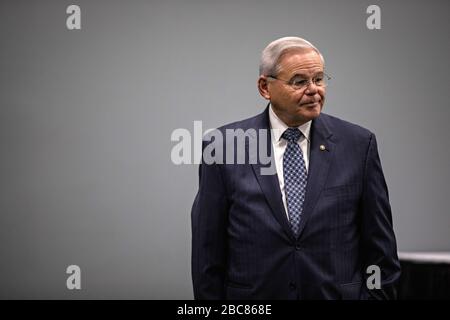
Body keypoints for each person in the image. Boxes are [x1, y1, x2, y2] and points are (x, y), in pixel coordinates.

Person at [191, 36, 401, 300]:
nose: (313, 90)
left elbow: (381, 250)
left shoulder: (358, 145)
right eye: (299, 81)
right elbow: (207, 254)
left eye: (319, 79)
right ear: (265, 87)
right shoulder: (223, 147)